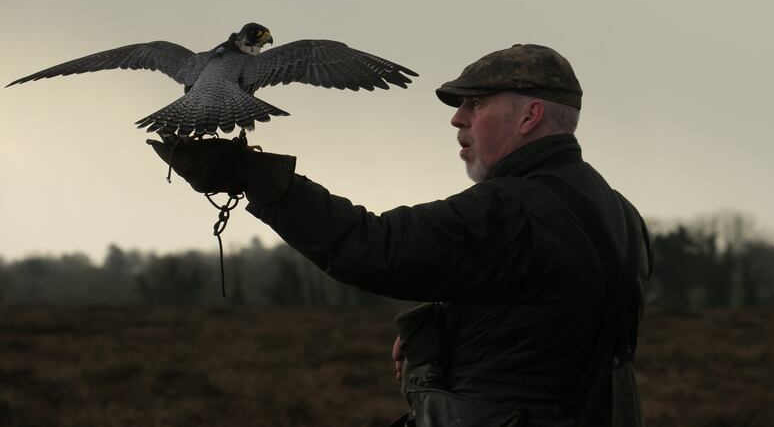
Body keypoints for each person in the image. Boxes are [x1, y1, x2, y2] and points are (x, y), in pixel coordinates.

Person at [150, 44, 653, 427]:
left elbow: (374, 248)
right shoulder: (620, 214)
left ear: (529, 116)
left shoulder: (509, 209)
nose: (457, 118)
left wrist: (255, 178)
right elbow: (555, 322)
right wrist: (449, 329)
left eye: (474, 104)